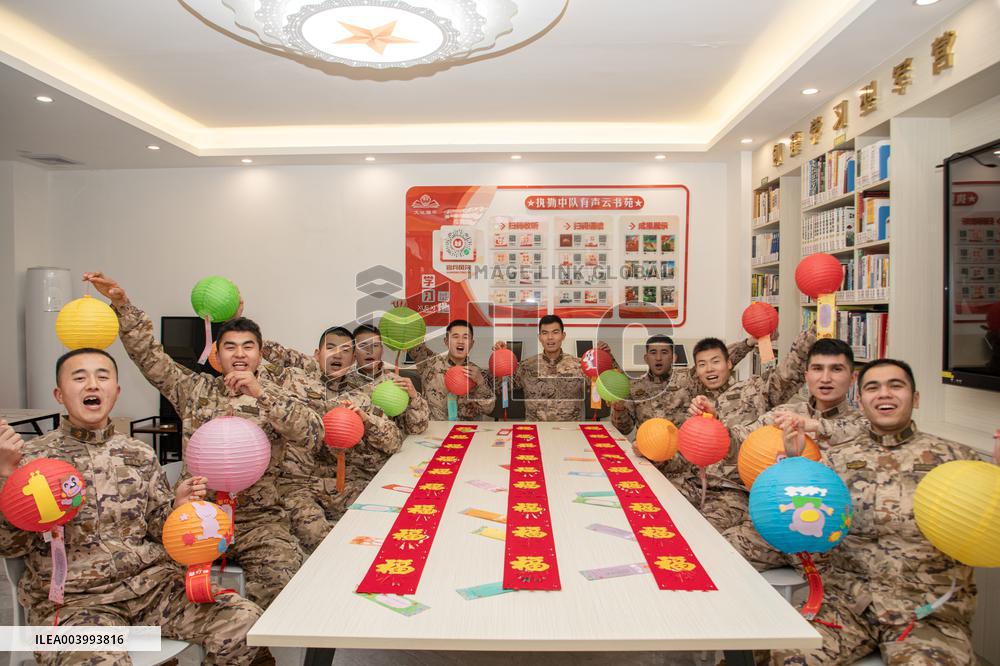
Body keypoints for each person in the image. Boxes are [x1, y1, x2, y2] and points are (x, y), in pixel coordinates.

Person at [0, 349, 263, 666]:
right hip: (76, 606)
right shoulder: (30, 461)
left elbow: (158, 529)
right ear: (59, 393)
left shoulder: (139, 453)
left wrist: (176, 508)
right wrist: (5, 476)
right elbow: (10, 545)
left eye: (102, 376)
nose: (92, 385)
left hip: (151, 590)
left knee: (246, 620)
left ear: (116, 391)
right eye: (79, 377)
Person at [84, 272, 321, 608]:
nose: (239, 354)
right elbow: (150, 358)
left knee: (285, 577)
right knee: (154, 579)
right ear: (216, 353)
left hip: (259, 520)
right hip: (197, 516)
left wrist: (262, 393)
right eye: (230, 347)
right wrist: (123, 307)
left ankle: (253, 650)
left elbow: (312, 434)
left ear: (259, 353)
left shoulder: (276, 396)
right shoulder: (194, 390)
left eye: (248, 346)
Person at [772, 359, 980, 666]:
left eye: (895, 386)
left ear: (916, 398)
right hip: (847, 606)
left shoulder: (956, 460)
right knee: (777, 656)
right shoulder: (838, 460)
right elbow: (802, 527)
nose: (884, 394)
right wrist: (794, 464)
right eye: (873, 387)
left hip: (926, 616)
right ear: (861, 398)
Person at [722, 338, 868, 569]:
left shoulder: (863, 425)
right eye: (818, 369)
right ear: (806, 374)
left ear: (852, 379)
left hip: (825, 538)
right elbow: (741, 440)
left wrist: (817, 427)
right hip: (770, 527)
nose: (826, 378)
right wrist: (713, 427)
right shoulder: (784, 414)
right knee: (717, 560)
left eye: (836, 369)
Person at [260, 324, 403, 552]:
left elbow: (394, 441)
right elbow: (253, 367)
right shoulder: (291, 380)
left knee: (389, 515)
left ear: (353, 359)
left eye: (345, 350)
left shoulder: (360, 396)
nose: (338, 354)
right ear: (317, 355)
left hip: (337, 484)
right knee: (322, 541)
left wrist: (365, 418)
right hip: (294, 486)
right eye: (331, 348)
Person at [665, 325, 817, 531]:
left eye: (716, 362)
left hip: (732, 490)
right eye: (702, 364)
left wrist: (819, 321)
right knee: (653, 505)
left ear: (729, 363)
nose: (709, 369)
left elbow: (788, 373)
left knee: (697, 531)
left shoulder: (753, 391)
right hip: (694, 481)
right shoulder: (692, 400)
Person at [610, 334, 755, 435]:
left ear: (673, 357)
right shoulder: (635, 386)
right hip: (647, 452)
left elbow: (718, 360)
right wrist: (618, 409)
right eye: (653, 353)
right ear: (646, 358)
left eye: (664, 352)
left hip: (684, 457)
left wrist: (748, 343)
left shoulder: (687, 378)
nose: (658, 358)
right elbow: (625, 429)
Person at [493, 314, 616, 421]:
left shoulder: (581, 365)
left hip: (572, 431)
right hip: (535, 431)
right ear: (539, 337)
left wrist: (608, 359)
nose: (550, 337)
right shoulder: (526, 366)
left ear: (563, 335)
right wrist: (499, 358)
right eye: (545, 333)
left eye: (555, 332)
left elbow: (608, 386)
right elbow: (500, 388)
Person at [409, 319, 495, 421]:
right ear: (446, 341)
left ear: (472, 343)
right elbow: (411, 339)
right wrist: (405, 314)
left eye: (465, 337)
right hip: (433, 431)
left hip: (464, 432)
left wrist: (480, 382)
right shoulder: (429, 362)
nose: (460, 341)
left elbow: (488, 409)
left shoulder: (476, 373)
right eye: (455, 336)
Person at [353, 323, 429, 436]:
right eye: (363, 346)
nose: (370, 351)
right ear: (354, 352)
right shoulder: (343, 384)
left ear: (382, 350)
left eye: (375, 346)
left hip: (393, 449)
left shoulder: (396, 382)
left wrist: (414, 398)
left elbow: (417, 428)